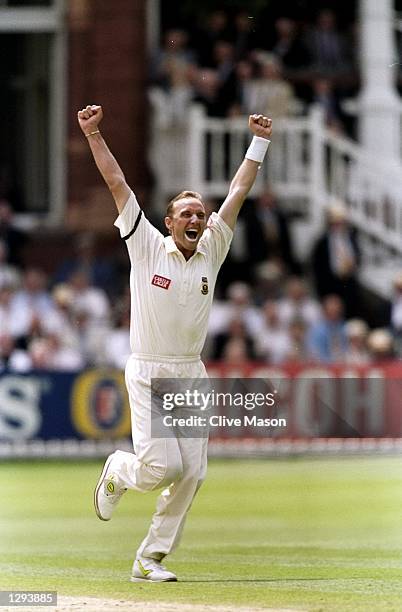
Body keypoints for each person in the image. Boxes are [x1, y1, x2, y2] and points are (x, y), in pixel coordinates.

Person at [77, 104, 272, 583]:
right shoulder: (144, 243)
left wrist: (259, 142)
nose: (197, 218)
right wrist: (94, 133)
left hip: (190, 371)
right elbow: (118, 184)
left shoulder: (213, 247)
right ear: (168, 221)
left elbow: (238, 191)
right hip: (149, 369)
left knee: (193, 473)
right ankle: (119, 469)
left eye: (200, 214)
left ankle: (150, 558)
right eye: (186, 212)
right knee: (158, 467)